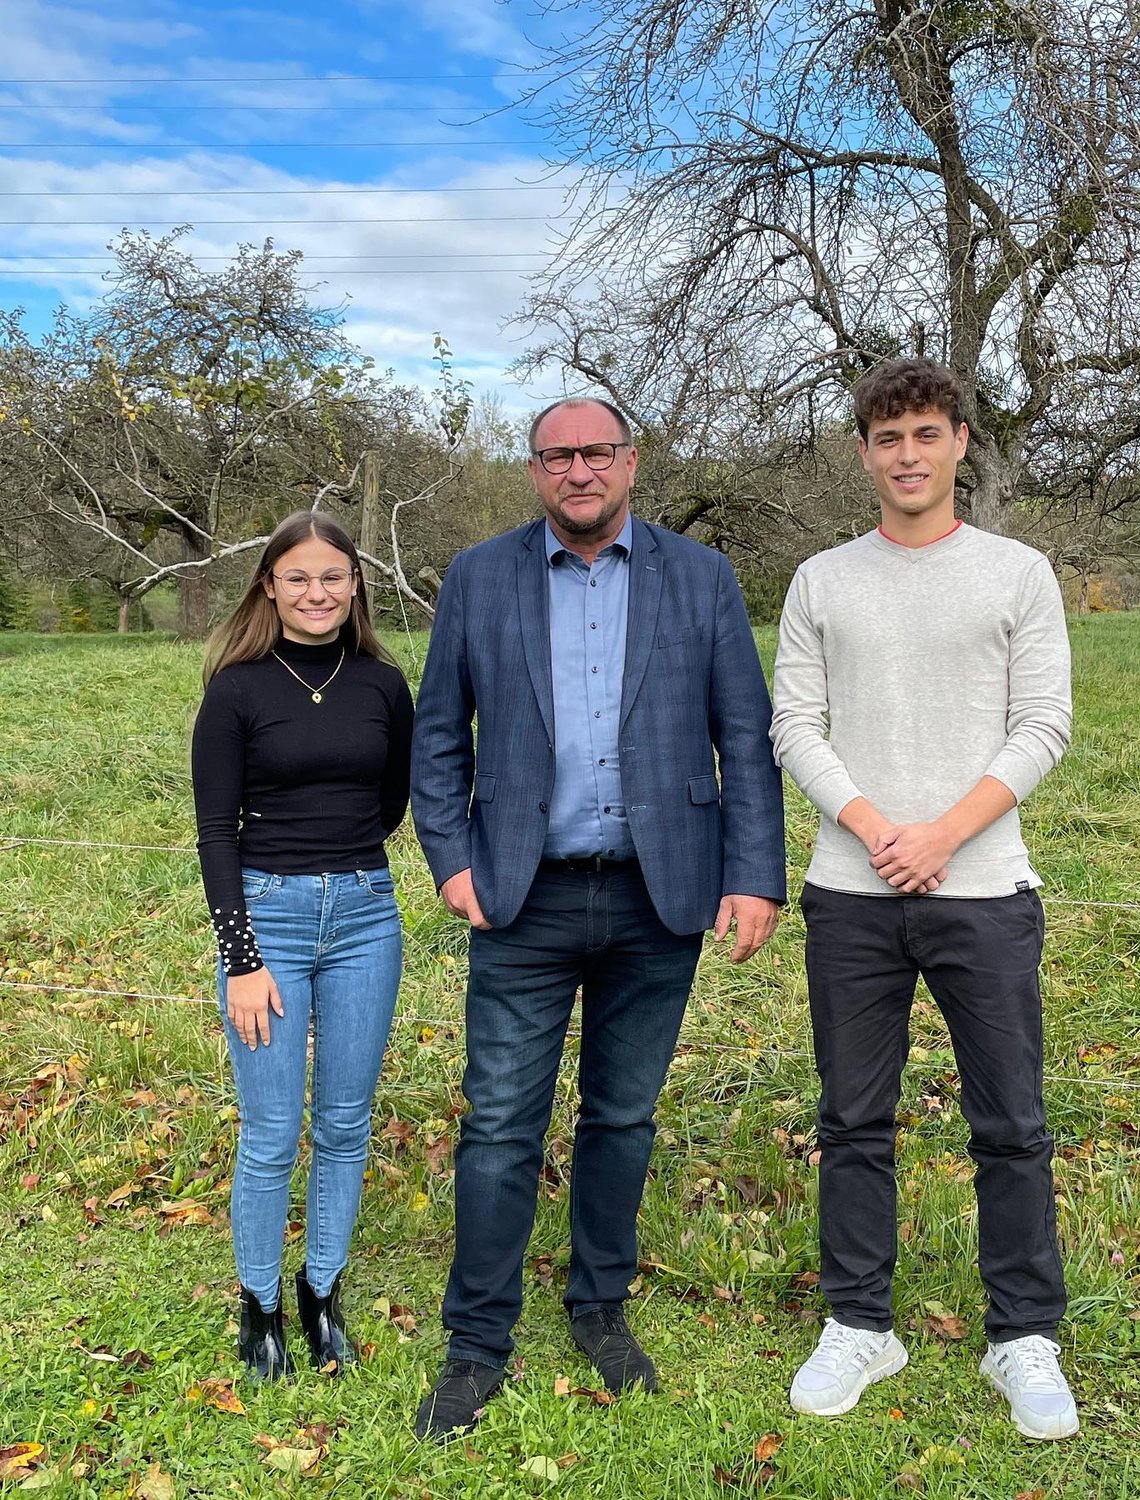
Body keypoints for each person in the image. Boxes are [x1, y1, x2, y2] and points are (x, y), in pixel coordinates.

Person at [409, 397, 786, 1439]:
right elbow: (438, 736)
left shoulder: (700, 577)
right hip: (519, 896)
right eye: (556, 455)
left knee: (623, 1116)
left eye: (596, 452)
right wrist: (451, 862)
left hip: (659, 893)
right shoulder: (479, 576)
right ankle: (476, 1342)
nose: (578, 471)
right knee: (499, 1125)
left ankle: (599, 1308)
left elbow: (744, 738)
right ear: (535, 470)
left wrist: (754, 876)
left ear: (631, 461)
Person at [770, 359, 1077, 1440]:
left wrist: (942, 834)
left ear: (959, 443)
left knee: (1013, 1125)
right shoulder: (821, 581)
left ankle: (1022, 1335)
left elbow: (1043, 723)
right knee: (853, 1121)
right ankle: (860, 1322)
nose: (908, 455)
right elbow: (793, 723)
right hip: (851, 895)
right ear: (864, 453)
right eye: (888, 437)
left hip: (984, 890)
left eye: (926, 434)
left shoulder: (1018, 573)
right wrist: (874, 829)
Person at [191, 510, 413, 1380]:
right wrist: (242, 959)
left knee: (346, 1124)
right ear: (270, 586)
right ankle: (260, 1304)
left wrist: (340, 863)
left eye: (332, 576)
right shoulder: (236, 690)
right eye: (298, 577)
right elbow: (216, 834)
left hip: (365, 917)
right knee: (274, 1129)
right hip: (267, 919)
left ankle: (321, 1290)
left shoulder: (383, 684)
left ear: (355, 585)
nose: (316, 592)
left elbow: (390, 803)